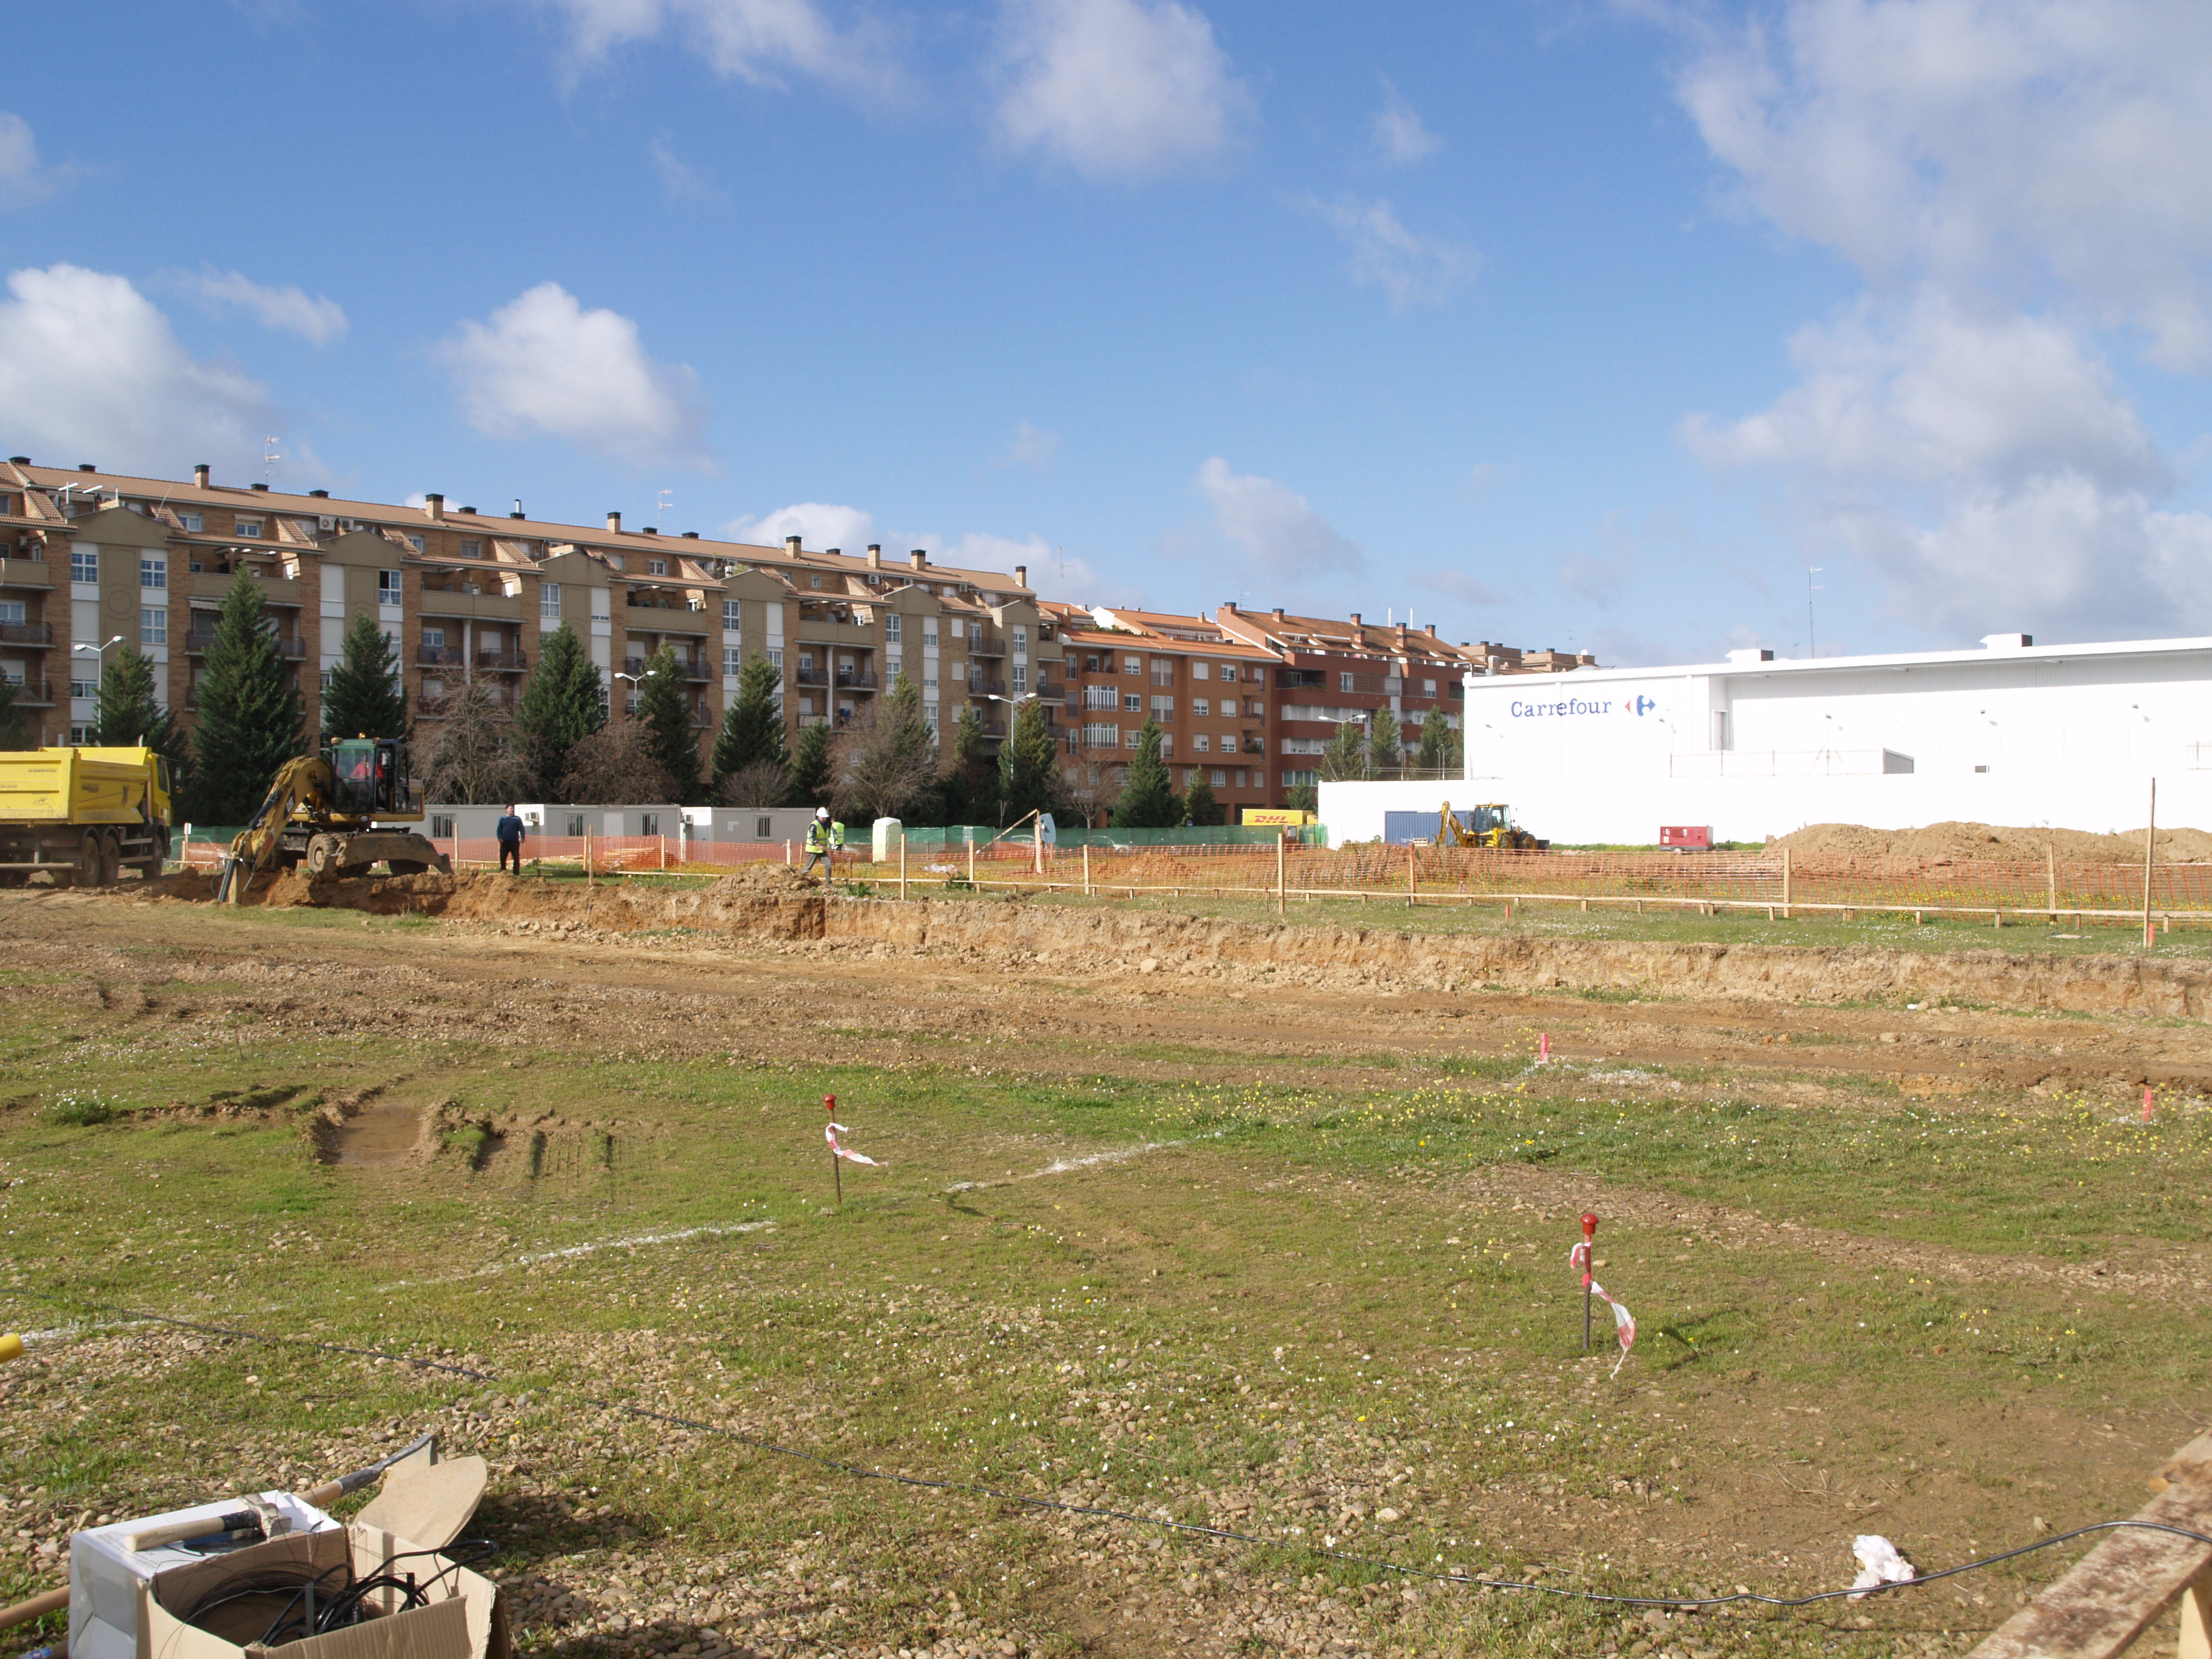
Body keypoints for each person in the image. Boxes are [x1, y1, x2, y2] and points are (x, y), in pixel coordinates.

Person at [801, 806, 843, 880]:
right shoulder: (814, 825)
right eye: (823, 818)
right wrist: (819, 846)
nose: (825, 819)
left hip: (822, 850)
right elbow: (812, 838)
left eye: (826, 818)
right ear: (818, 816)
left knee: (828, 865)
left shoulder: (825, 825)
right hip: (813, 850)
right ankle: (799, 878)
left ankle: (828, 883)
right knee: (808, 867)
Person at [495, 805, 527, 874]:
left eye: (513, 808)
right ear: (507, 810)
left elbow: (522, 829)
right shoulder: (502, 819)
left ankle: (516, 873)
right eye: (511, 808)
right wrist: (500, 838)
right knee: (503, 857)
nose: (512, 810)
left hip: (514, 841)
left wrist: (523, 837)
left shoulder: (517, 819)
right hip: (505, 842)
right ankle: (503, 872)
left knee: (516, 858)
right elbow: (499, 830)